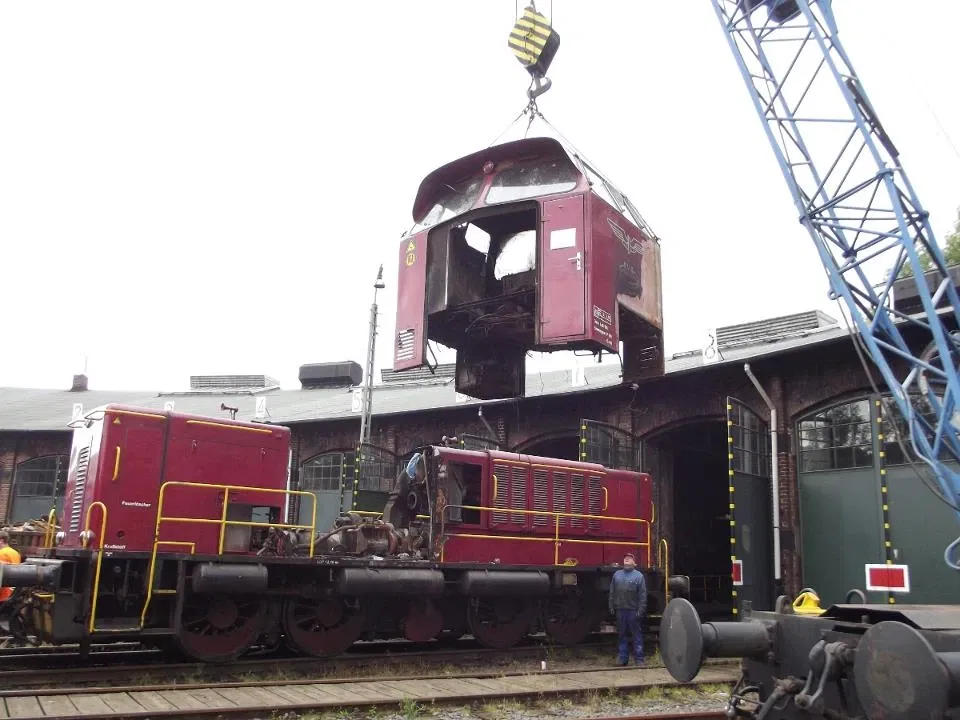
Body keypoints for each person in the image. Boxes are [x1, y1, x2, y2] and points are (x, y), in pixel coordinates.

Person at [608, 552, 647, 666]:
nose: (627, 559)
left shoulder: (639, 576)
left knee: (636, 635)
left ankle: (639, 659)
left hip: (633, 610)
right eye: (625, 558)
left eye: (630, 558)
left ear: (634, 563)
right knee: (621, 634)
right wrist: (611, 605)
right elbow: (612, 592)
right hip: (620, 610)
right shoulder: (617, 575)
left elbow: (642, 595)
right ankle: (623, 658)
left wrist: (641, 609)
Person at [0, 530, 22, 603]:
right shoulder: (15, 553)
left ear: (1, 540)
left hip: (3, 594)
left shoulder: (2, 553)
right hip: (13, 592)